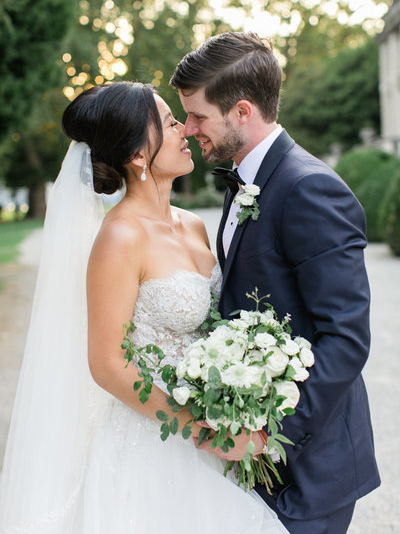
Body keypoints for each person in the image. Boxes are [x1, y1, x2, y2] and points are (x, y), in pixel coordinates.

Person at [0, 81, 289, 534]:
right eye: (172, 123)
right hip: (155, 441)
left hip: (214, 423)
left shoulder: (192, 225)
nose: (186, 131)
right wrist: (201, 428)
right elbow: (108, 363)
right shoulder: (119, 238)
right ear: (138, 156)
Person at [170, 31, 381, 534]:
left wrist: (267, 434)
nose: (187, 127)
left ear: (242, 111)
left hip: (312, 470)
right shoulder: (242, 178)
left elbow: (347, 339)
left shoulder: (311, 189)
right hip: (255, 467)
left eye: (198, 115)